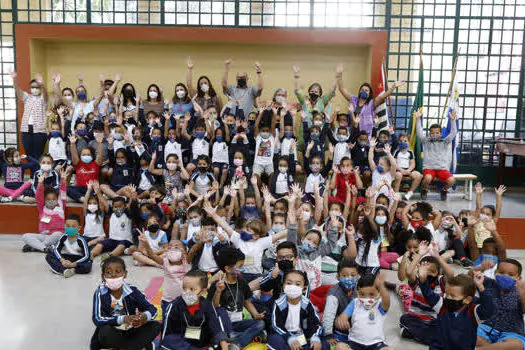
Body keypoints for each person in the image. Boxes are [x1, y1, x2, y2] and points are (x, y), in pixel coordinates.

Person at [90, 256, 160, 350]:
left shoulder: (132, 291)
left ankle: (126, 347)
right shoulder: (100, 293)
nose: (113, 275)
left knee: (155, 325)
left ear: (125, 274)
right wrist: (123, 319)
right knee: (105, 331)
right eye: (108, 272)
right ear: (103, 277)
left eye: (118, 271)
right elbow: (97, 319)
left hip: (131, 330)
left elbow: (152, 309)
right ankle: (136, 346)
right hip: (113, 331)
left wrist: (144, 317)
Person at [419, 270, 494, 350]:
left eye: (453, 296)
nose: (448, 298)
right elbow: (428, 294)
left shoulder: (473, 312)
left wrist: (480, 286)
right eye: (447, 294)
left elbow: (488, 309)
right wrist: (423, 280)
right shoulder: (442, 306)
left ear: (467, 299)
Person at [209, 247, 266, 348]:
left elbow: (247, 301)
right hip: (224, 325)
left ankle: (237, 342)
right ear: (227, 268)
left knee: (260, 324)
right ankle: (242, 337)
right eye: (240, 267)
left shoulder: (242, 282)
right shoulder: (217, 285)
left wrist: (256, 314)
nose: (242, 269)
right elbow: (214, 306)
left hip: (239, 322)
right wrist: (218, 291)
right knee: (260, 334)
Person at [161, 270, 229, 350]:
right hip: (183, 340)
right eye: (184, 288)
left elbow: (215, 325)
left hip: (202, 338)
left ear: (203, 292)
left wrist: (223, 344)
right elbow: (166, 335)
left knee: (220, 314)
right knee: (168, 340)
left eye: (192, 289)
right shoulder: (174, 306)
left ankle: (224, 344)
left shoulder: (207, 305)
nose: (187, 292)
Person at [336, 64, 404, 137]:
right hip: (352, 133)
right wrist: (339, 75)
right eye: (362, 90)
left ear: (369, 93)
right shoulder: (353, 99)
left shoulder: (372, 103)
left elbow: (382, 97)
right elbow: (342, 89)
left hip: (366, 135)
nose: (364, 91)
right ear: (359, 91)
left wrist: (393, 87)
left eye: (366, 90)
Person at [268, 270, 326, 350]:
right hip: (284, 336)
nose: (292, 287)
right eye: (288, 283)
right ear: (283, 286)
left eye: (297, 284)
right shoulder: (279, 304)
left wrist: (315, 338)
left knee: (324, 345)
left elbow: (316, 324)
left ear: (304, 289)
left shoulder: (307, 304)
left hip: (302, 337)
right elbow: (276, 326)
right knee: (275, 340)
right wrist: (290, 338)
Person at [334, 273, 393, 350]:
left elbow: (387, 300)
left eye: (371, 294)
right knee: (339, 347)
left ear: (379, 293)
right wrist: (342, 320)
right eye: (362, 294)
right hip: (354, 343)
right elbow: (343, 316)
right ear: (357, 291)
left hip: (376, 344)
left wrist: (381, 286)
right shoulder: (355, 303)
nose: (367, 298)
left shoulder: (380, 304)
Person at [476, 259, 525, 350]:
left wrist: (523, 298)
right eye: (501, 272)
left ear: (518, 277)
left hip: (512, 332)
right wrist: (481, 268)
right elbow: (469, 277)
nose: (505, 276)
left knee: (516, 345)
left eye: (511, 275)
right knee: (471, 338)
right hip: (486, 329)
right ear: (495, 272)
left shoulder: (521, 290)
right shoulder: (489, 283)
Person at [22, 168, 68, 253]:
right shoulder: (42, 208)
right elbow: (38, 196)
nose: (51, 200)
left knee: (58, 235)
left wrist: (63, 181)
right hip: (43, 236)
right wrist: (40, 183)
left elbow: (63, 193)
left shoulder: (60, 206)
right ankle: (44, 248)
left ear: (57, 199)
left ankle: (36, 247)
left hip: (56, 236)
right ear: (44, 200)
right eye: (48, 199)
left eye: (54, 199)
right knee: (25, 236)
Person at [415, 108, 457, 200]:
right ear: (429, 133)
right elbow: (419, 133)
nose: (435, 134)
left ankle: (444, 190)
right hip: (429, 168)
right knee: (427, 178)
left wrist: (453, 120)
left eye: (437, 132)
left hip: (442, 168)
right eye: (432, 133)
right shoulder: (426, 141)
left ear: (441, 133)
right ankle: (424, 189)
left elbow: (453, 133)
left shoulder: (445, 141)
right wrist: (418, 120)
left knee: (451, 180)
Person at [10, 71, 49, 161]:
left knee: (38, 154)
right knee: (29, 154)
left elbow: (46, 94)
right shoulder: (27, 97)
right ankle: (32, 174)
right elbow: (17, 90)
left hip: (39, 130)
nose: (35, 89)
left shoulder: (43, 98)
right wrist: (14, 79)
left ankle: (38, 174)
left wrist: (42, 84)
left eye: (37, 87)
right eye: (33, 87)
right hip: (26, 129)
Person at [323, 258, 360, 345]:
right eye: (344, 275)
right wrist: (328, 335)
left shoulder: (358, 289)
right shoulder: (334, 294)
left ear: (358, 276)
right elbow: (328, 316)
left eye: (353, 275)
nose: (349, 278)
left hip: (355, 328)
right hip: (339, 328)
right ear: (338, 277)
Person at [45, 213, 92, 278]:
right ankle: (64, 270)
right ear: (64, 226)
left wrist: (73, 264)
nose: (70, 228)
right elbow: (56, 249)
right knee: (49, 256)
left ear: (79, 228)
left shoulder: (81, 240)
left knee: (88, 266)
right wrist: (62, 260)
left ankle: (72, 269)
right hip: (65, 258)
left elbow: (87, 256)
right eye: (67, 226)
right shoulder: (63, 237)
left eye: (73, 226)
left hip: (77, 260)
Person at [392, 132, 423, 200]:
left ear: (409, 142)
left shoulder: (410, 152)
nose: (403, 142)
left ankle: (410, 193)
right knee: (398, 175)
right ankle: (396, 193)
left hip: (408, 170)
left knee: (419, 176)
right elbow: (394, 163)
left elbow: (412, 163)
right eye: (401, 141)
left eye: (405, 141)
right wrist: (401, 170)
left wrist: (408, 170)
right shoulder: (396, 151)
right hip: (399, 170)